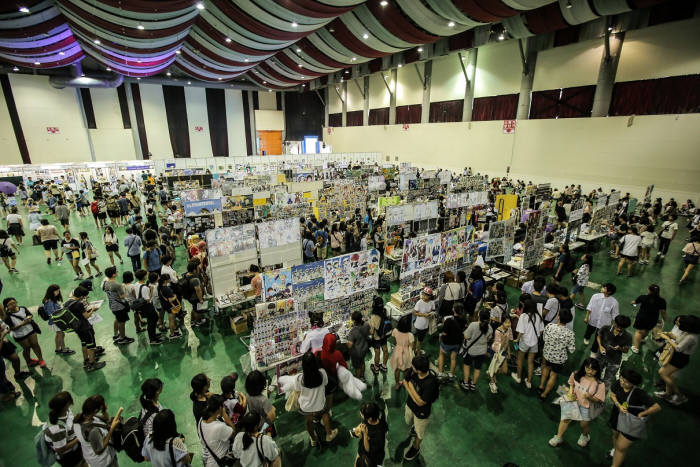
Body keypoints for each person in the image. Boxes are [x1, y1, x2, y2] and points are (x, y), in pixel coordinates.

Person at [548, 358, 606, 448]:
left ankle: (585, 436)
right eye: (588, 368)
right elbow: (572, 384)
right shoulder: (576, 374)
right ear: (584, 367)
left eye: (593, 369)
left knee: (584, 425)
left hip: (586, 406)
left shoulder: (599, 384)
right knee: (565, 419)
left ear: (597, 370)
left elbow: (599, 400)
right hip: (573, 401)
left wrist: (590, 397)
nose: (590, 371)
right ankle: (558, 437)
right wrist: (571, 393)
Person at [609, 368, 662, 466]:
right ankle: (615, 450)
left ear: (633, 384)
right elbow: (612, 395)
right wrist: (618, 405)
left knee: (621, 448)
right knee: (615, 435)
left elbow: (657, 407)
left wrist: (642, 414)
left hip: (631, 422)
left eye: (626, 382)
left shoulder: (639, 394)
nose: (622, 382)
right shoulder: (618, 383)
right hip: (617, 415)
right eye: (621, 378)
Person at [400, 354, 439, 461]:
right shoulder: (412, 372)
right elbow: (404, 381)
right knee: (408, 421)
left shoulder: (430, 383)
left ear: (420, 371)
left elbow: (421, 403)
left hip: (422, 412)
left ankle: (415, 448)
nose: (411, 367)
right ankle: (414, 427)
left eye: (413, 366)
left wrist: (409, 387)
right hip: (410, 405)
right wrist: (411, 390)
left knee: (419, 434)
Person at [655, 315, 700, 405]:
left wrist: (667, 338)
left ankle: (680, 396)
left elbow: (679, 348)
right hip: (677, 356)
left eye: (680, 323)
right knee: (670, 376)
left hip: (680, 358)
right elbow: (679, 340)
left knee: (662, 373)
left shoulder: (691, 337)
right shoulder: (688, 332)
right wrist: (670, 335)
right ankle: (668, 393)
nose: (678, 324)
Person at [295, 351, 338, 446]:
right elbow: (326, 384)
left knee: (309, 422)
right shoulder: (322, 373)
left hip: (306, 407)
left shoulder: (299, 378)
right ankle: (329, 434)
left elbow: (298, 392)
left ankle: (314, 439)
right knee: (325, 414)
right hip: (320, 404)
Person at [65, 286, 106, 372]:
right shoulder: (78, 304)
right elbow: (86, 316)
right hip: (84, 327)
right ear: (81, 296)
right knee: (90, 345)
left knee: (84, 344)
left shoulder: (67, 303)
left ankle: (86, 360)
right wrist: (93, 310)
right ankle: (92, 364)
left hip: (77, 327)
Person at [74, 395, 121, 467]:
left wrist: (104, 410)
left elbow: (105, 418)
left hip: (90, 456)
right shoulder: (93, 431)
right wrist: (112, 429)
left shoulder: (79, 417)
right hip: (104, 462)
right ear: (96, 410)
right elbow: (99, 450)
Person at [539, 308, 576, 400]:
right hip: (559, 359)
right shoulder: (570, 334)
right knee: (553, 375)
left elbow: (544, 339)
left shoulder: (549, 326)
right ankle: (544, 394)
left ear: (558, 317)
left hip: (547, 354)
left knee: (546, 368)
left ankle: (541, 386)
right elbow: (571, 350)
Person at [44, 391, 86, 467]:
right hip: (68, 456)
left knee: (83, 462)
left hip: (75, 447)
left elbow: (69, 423)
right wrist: (79, 438)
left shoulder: (66, 411)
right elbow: (60, 449)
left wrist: (79, 417)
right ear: (66, 405)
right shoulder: (56, 429)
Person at [2, 297, 46, 368]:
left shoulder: (22, 308)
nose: (13, 305)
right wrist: (22, 324)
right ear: (6, 307)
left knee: (35, 345)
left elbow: (30, 314)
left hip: (30, 330)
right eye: (10, 304)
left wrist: (29, 317)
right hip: (20, 335)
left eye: (14, 302)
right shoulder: (7, 317)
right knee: (26, 348)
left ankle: (41, 360)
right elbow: (11, 328)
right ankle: (29, 361)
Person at [593, 315, 633, 389]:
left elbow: (626, 350)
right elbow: (599, 336)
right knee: (594, 375)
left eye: (621, 328)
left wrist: (620, 348)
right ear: (614, 322)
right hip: (601, 356)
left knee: (607, 381)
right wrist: (600, 346)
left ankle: (601, 396)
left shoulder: (628, 337)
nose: (619, 329)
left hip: (614, 361)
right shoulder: (605, 328)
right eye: (618, 326)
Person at [512, 300, 544, 389]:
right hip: (534, 342)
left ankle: (518, 377)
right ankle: (529, 382)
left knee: (520, 359)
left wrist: (517, 340)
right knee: (530, 362)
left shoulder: (523, 316)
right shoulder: (538, 316)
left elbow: (521, 332)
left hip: (524, 341)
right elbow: (541, 331)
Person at [198, 395, 237, 467]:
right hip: (219, 462)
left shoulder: (201, 420)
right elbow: (233, 432)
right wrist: (225, 415)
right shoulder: (218, 427)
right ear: (219, 408)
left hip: (208, 458)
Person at [460, 309, 493, 391]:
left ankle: (466, 382)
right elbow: (488, 339)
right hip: (482, 351)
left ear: (479, 316)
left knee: (467, 365)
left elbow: (466, 336)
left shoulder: (473, 325)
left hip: (471, 350)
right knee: (477, 368)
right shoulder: (490, 328)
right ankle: (473, 384)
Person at [101, 266, 134, 345]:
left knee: (117, 319)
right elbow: (122, 296)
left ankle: (116, 334)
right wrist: (123, 288)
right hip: (119, 306)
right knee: (122, 322)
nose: (117, 272)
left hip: (112, 305)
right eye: (116, 272)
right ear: (113, 275)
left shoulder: (105, 282)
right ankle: (122, 338)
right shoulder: (117, 285)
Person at [350, 402, 388, 467]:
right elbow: (363, 424)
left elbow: (368, 450)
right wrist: (357, 431)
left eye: (362, 413)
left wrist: (365, 435)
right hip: (362, 450)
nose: (360, 414)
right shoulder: (370, 419)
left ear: (370, 418)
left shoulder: (379, 434)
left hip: (371, 458)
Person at [631, 284, 667, 354]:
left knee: (639, 332)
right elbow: (663, 312)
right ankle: (642, 339)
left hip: (642, 318)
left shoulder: (643, 297)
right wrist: (664, 319)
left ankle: (636, 348)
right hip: (653, 319)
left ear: (649, 290)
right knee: (646, 330)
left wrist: (632, 302)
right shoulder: (662, 301)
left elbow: (635, 302)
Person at [583, 283, 619, 348]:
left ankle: (594, 350)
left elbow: (615, 315)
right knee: (589, 330)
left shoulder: (614, 302)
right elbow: (590, 307)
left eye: (604, 288)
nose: (602, 288)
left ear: (609, 292)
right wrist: (587, 317)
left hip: (603, 323)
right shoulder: (595, 296)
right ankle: (586, 338)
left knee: (599, 336)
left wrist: (614, 327)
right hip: (593, 319)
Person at [42, 285, 75, 355]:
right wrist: (61, 309)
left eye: (58, 290)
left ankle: (57, 348)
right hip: (56, 321)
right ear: (52, 292)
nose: (58, 292)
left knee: (58, 334)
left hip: (55, 321)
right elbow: (51, 313)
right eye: (56, 291)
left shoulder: (51, 299)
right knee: (61, 334)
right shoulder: (49, 301)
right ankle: (63, 349)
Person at [134, 269, 163, 345]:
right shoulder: (144, 288)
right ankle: (152, 339)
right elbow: (147, 300)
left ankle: (153, 334)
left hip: (141, 306)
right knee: (152, 321)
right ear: (144, 277)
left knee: (153, 319)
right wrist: (151, 291)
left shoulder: (136, 284)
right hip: (147, 306)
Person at [438, 302, 464, 381]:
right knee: (453, 359)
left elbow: (444, 333)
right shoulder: (463, 320)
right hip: (456, 343)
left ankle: (440, 373)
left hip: (447, 342)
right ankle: (451, 374)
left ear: (453, 310)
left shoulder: (448, 320)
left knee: (442, 355)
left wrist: (440, 337)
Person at [487, 316, 513, 394]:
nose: (508, 324)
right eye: (506, 322)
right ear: (502, 322)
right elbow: (498, 346)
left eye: (509, 322)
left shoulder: (509, 329)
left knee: (504, 370)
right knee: (493, 368)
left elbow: (509, 341)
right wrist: (504, 339)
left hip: (503, 351)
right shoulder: (498, 331)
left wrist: (508, 351)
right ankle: (492, 382)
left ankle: (491, 374)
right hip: (496, 351)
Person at [390, 314, 415, 389]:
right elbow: (411, 346)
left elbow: (394, 342)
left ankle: (397, 384)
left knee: (397, 369)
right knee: (406, 370)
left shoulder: (395, 331)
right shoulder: (410, 335)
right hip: (406, 353)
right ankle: (405, 383)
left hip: (397, 351)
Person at [368, 296, 390, 373]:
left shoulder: (373, 316)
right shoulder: (385, 311)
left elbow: (371, 331)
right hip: (384, 335)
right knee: (385, 350)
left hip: (377, 337)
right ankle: (384, 366)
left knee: (377, 352)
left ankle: (376, 368)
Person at [157, 274, 182, 339]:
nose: (170, 279)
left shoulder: (159, 287)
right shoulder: (166, 289)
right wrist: (175, 296)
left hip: (164, 305)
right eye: (169, 278)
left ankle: (175, 330)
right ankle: (172, 334)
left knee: (173, 319)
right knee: (171, 320)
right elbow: (170, 300)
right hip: (170, 306)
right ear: (165, 281)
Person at [347, 311, 370, 379]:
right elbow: (369, 333)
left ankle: (358, 378)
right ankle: (362, 376)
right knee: (362, 362)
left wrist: (345, 341)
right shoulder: (366, 325)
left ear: (353, 320)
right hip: (364, 348)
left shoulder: (353, 331)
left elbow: (350, 346)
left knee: (357, 367)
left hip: (356, 352)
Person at [412, 287, 434, 355]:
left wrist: (431, 314)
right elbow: (414, 313)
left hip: (426, 324)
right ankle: (418, 353)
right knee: (419, 340)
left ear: (429, 296)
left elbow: (432, 311)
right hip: (420, 324)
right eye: (423, 294)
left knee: (420, 339)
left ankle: (417, 349)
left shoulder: (431, 303)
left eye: (425, 295)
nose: (423, 296)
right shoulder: (419, 302)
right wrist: (424, 315)